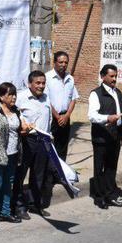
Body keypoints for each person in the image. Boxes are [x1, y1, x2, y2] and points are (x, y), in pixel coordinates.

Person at [0, 82, 30, 230]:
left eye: (14, 94)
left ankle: (5, 212)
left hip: (13, 153)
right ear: (0, 96)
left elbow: (20, 128)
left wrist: (25, 129)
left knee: (7, 185)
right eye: (10, 94)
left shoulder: (16, 111)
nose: (13, 97)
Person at [88, 64, 122, 209]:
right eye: (111, 76)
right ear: (103, 76)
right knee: (99, 168)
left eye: (116, 76)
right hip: (101, 138)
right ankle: (99, 197)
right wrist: (107, 118)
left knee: (111, 168)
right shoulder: (96, 94)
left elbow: (121, 117)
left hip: (114, 137)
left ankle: (110, 195)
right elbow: (92, 116)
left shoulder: (118, 93)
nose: (114, 79)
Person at [15, 70, 52, 219]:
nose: (41, 86)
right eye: (37, 83)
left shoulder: (46, 98)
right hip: (27, 141)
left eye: (43, 83)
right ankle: (18, 206)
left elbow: (48, 119)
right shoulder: (21, 97)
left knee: (38, 175)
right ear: (30, 83)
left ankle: (34, 204)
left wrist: (49, 135)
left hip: (43, 141)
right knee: (20, 174)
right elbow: (13, 114)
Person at [44, 51, 79, 205]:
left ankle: (61, 174)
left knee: (63, 146)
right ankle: (50, 176)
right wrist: (58, 116)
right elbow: (46, 100)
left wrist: (67, 115)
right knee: (51, 147)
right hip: (53, 117)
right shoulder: (47, 78)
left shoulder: (70, 79)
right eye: (61, 62)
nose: (64, 65)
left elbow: (73, 99)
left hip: (66, 116)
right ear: (55, 62)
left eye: (66, 62)